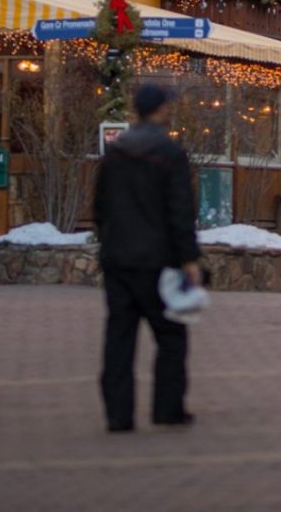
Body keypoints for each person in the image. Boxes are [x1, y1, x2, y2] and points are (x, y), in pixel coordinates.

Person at [93, 84, 201, 433]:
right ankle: (167, 408)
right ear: (160, 110)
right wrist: (189, 259)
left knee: (119, 339)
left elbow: (99, 207)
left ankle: (118, 415)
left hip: (118, 258)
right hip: (157, 261)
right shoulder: (169, 153)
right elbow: (180, 211)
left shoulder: (114, 152)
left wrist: (108, 240)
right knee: (171, 337)